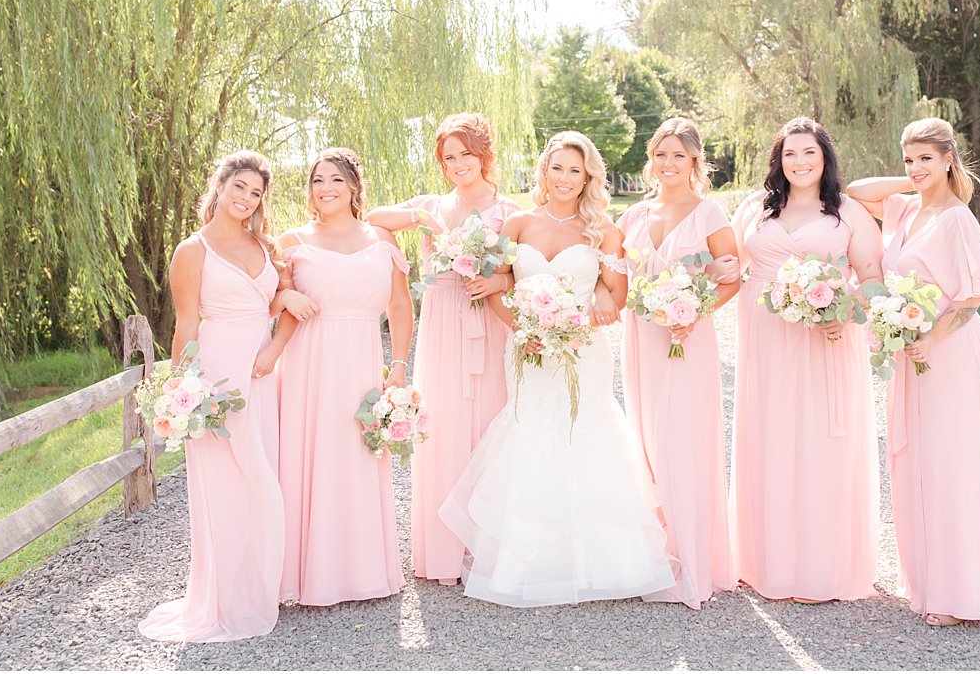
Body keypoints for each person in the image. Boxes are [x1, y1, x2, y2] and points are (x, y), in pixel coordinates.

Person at [439, 131, 689, 607]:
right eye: (558, 168)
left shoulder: (603, 231)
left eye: (575, 171)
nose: (565, 179)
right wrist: (522, 329)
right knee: (531, 430)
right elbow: (495, 286)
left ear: (588, 177)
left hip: (582, 351)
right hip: (529, 349)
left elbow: (618, 297)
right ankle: (526, 563)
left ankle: (606, 563)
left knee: (585, 432)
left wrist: (596, 302)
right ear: (544, 171)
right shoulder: (517, 224)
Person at [846, 117, 980, 627]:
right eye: (909, 158)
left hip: (947, 352)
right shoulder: (902, 210)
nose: (916, 167)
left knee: (952, 466)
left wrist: (930, 336)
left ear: (950, 157)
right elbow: (857, 193)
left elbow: (974, 294)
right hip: (910, 352)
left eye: (927, 157)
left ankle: (961, 597)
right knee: (916, 463)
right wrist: (915, 180)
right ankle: (927, 582)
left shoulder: (958, 218)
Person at [730, 117, 883, 603]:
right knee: (771, 436)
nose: (799, 162)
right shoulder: (754, 210)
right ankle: (767, 564)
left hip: (828, 339)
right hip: (766, 337)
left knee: (822, 440)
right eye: (790, 153)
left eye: (809, 153)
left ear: (825, 159)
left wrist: (851, 313)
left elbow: (873, 277)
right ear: (778, 159)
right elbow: (729, 266)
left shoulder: (848, 212)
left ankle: (824, 569)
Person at [365, 112, 518, 584]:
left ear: (484, 154)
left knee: (492, 422)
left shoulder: (508, 211)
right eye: (449, 157)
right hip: (442, 321)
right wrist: (421, 218)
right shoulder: (433, 205)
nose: (457, 164)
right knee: (446, 424)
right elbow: (373, 219)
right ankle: (444, 553)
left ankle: (487, 549)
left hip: (488, 321)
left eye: (465, 154)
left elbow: (524, 268)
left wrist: (497, 279)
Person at [139, 151, 284, 642]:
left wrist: (283, 315)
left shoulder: (264, 244)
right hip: (218, 376)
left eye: (256, 193)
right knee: (223, 487)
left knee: (264, 478)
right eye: (239, 187)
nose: (246, 199)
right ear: (219, 187)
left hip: (263, 371)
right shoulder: (192, 250)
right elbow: (186, 324)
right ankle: (226, 600)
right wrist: (180, 388)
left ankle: (265, 584)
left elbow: (277, 297)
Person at [259, 148, 413, 606]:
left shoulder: (382, 238)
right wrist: (286, 300)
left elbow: (400, 306)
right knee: (307, 456)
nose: (325, 189)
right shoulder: (292, 240)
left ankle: (362, 571)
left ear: (353, 188)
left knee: (358, 454)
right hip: (308, 364)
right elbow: (270, 301)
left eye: (335, 181)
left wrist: (400, 367)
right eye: (317, 181)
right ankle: (303, 575)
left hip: (362, 362)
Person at [617, 117, 740, 609]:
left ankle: (693, 563)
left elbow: (731, 278)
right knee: (646, 440)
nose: (668, 164)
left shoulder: (710, 214)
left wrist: (694, 313)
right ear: (652, 160)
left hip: (688, 339)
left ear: (695, 161)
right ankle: (656, 556)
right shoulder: (633, 217)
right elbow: (619, 283)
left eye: (678, 155)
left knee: (683, 440)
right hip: (642, 338)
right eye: (660, 155)